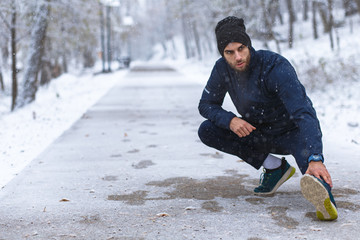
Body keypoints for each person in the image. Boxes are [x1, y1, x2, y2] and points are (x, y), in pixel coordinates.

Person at [197, 16, 338, 221]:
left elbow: (304, 113)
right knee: (207, 130)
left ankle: (324, 201)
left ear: (248, 45)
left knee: (312, 175)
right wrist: (230, 120)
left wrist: (315, 157)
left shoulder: (274, 66)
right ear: (222, 53)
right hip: (258, 134)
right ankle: (275, 168)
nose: (237, 57)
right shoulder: (221, 68)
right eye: (230, 52)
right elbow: (206, 104)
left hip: (292, 134)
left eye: (241, 48)